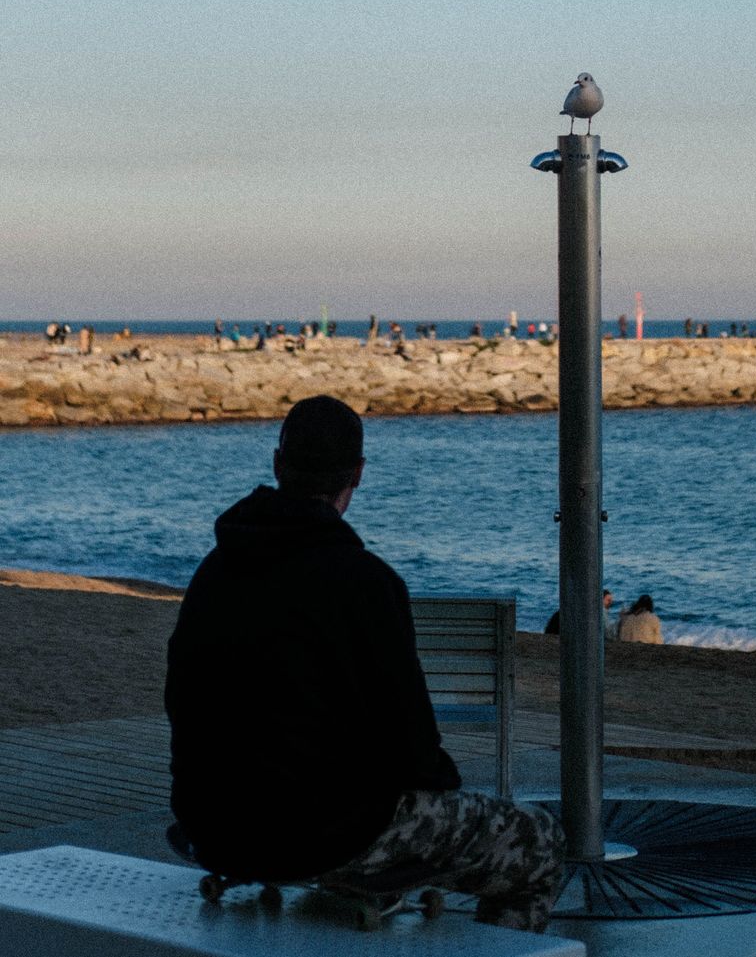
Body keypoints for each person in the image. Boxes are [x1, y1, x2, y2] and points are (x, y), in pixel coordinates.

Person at [165, 395, 564, 931]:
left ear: (278, 464)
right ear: (358, 474)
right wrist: (438, 791)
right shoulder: (365, 583)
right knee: (540, 842)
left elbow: (181, 700)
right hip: (320, 835)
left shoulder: (214, 570)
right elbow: (413, 744)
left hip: (210, 825)